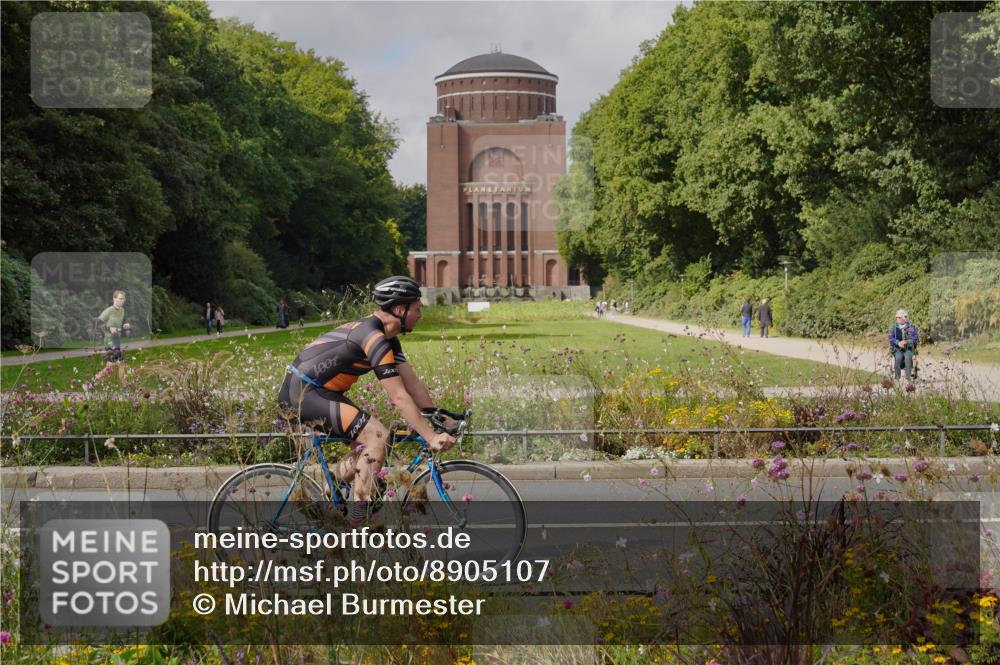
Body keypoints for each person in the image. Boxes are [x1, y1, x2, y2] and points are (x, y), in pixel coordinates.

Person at [278, 276, 455, 525]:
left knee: (367, 450)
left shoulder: (388, 338)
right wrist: (430, 437)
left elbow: (411, 383)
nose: (421, 314)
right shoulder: (373, 337)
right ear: (399, 309)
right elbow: (398, 396)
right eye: (417, 308)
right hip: (303, 395)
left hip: (320, 392)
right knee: (378, 437)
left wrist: (439, 417)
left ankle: (334, 489)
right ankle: (356, 521)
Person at [91, 290, 131, 386]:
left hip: (116, 341)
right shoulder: (109, 311)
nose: (122, 301)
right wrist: (109, 328)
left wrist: (126, 325)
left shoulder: (122, 310)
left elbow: (119, 324)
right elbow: (98, 323)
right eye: (120, 298)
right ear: (114, 298)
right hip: (109, 342)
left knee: (111, 366)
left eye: (123, 299)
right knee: (119, 363)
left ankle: (93, 383)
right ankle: (124, 385)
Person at [889, 309, 919, 380]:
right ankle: (897, 378)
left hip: (908, 348)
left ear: (904, 318)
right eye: (897, 317)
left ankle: (908, 378)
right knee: (898, 357)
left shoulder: (911, 327)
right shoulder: (894, 328)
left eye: (899, 317)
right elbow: (891, 338)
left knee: (908, 357)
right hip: (898, 349)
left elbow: (916, 338)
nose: (897, 319)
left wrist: (907, 341)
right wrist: (898, 343)